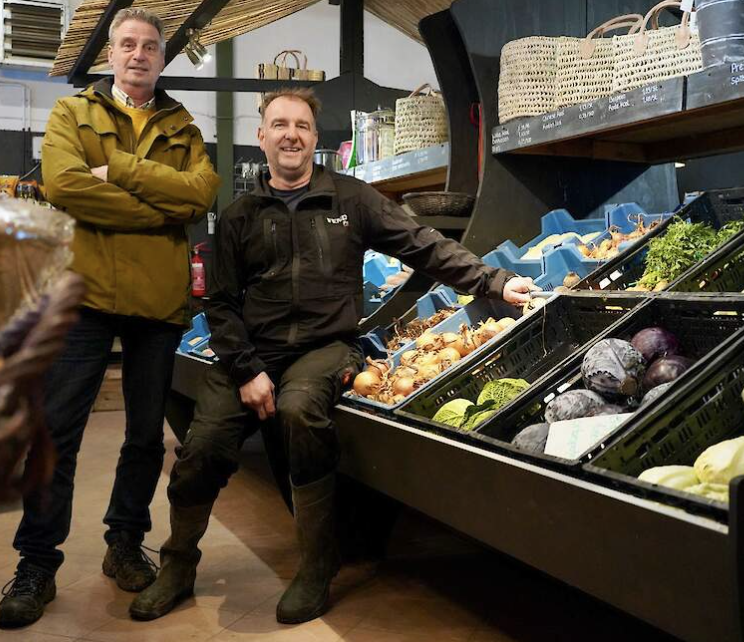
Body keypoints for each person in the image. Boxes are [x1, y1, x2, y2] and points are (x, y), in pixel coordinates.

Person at [129, 87, 537, 625]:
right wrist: (247, 370)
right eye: (280, 125)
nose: (291, 135)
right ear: (262, 137)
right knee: (203, 445)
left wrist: (495, 280)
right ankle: (178, 566)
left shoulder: (352, 200)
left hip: (324, 348)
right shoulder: (240, 215)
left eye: (301, 126)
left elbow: (422, 244)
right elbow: (220, 304)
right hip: (252, 352)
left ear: (314, 137)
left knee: (301, 412)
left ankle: (317, 565)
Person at [0, 8, 220, 629]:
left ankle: (124, 542)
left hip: (157, 301)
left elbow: (200, 195)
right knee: (56, 433)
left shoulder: (183, 126)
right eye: (128, 44)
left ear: (161, 57)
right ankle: (36, 562)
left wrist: (118, 170)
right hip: (85, 293)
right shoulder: (73, 113)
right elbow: (66, 185)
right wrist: (157, 211)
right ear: (112, 53)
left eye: (149, 46)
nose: (138, 54)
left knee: (145, 436)